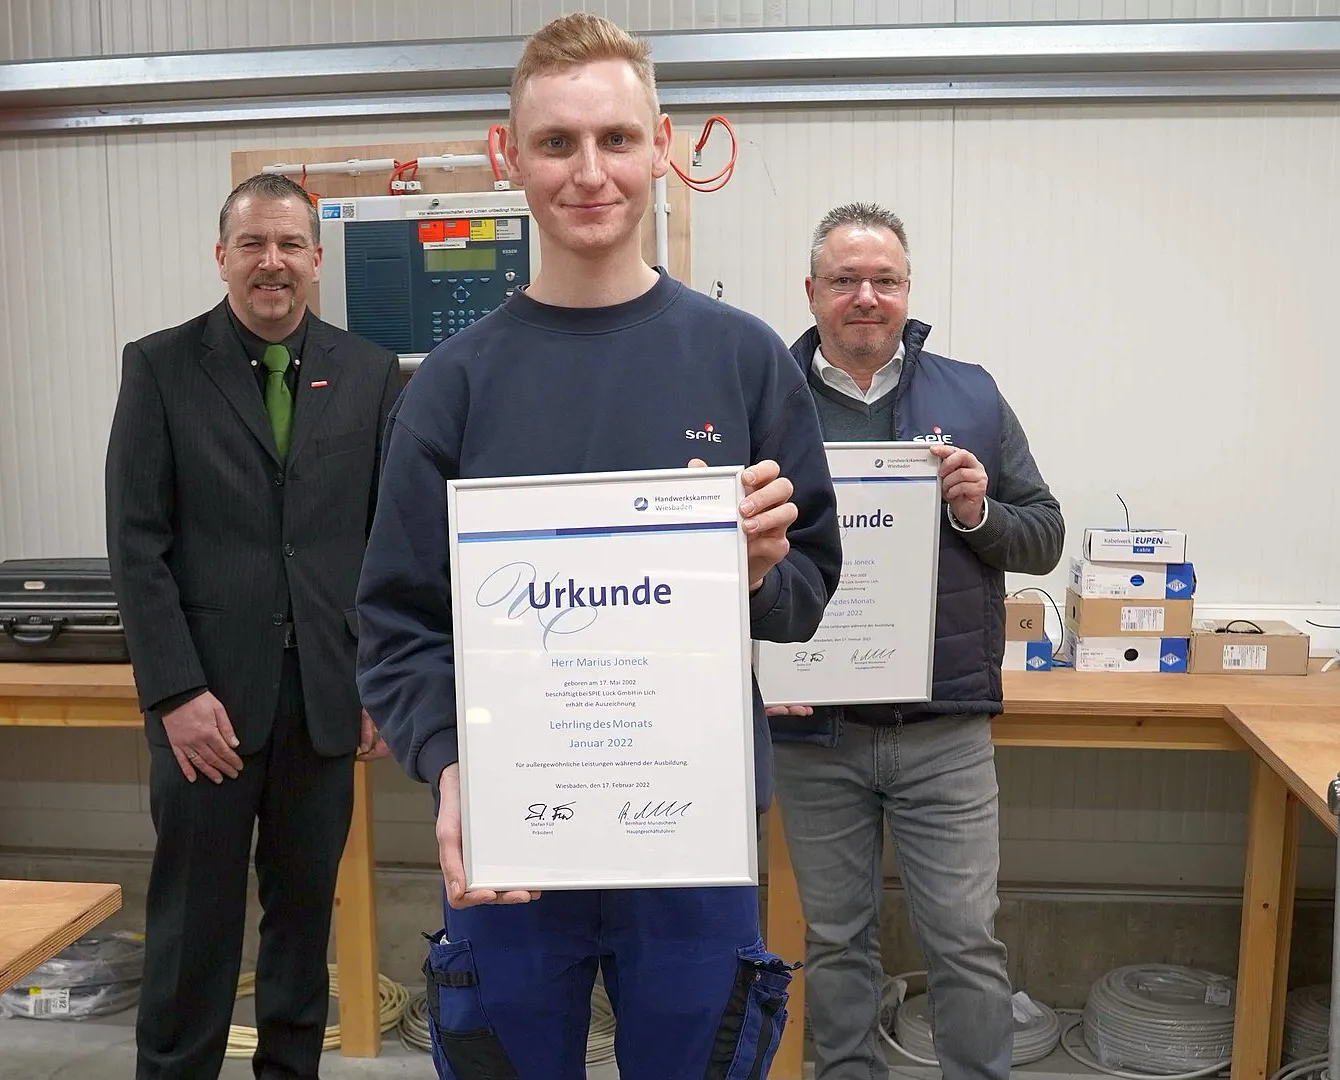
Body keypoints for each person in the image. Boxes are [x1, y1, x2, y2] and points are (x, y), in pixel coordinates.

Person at [352, 13, 841, 1080]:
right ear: (507, 156)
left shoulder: (746, 363)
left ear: (661, 145)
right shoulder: (452, 386)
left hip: (692, 835)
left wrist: (756, 576)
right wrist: (446, 765)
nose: (590, 173)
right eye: (557, 143)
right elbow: (394, 626)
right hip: (512, 835)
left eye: (617, 139)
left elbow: (812, 588)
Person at [104, 171, 403, 1080]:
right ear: (221, 256)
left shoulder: (369, 373)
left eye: (288, 246)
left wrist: (374, 686)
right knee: (194, 928)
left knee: (301, 925)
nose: (271, 263)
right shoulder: (159, 366)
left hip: (323, 700)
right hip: (208, 710)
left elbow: (388, 544)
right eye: (252, 245)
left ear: (316, 258)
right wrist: (174, 693)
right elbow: (136, 542)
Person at [768, 202, 1066, 1080]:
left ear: (907, 291)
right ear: (812, 291)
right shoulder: (765, 397)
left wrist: (977, 512)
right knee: (834, 941)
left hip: (944, 729)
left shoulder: (970, 395)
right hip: (813, 730)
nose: (867, 296)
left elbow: (1044, 534)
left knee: (967, 942)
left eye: (885, 280)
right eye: (846, 280)